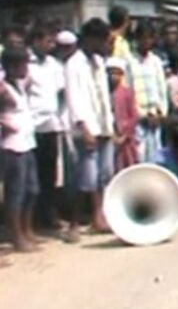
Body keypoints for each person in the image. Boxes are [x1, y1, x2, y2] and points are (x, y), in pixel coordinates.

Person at [65, 18, 115, 233]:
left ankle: (100, 215)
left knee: (105, 174)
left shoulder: (99, 62)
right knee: (87, 177)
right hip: (87, 127)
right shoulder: (73, 64)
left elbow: (104, 96)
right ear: (90, 39)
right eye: (102, 40)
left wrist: (110, 125)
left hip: (103, 125)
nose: (104, 44)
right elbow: (74, 98)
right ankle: (77, 221)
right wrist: (84, 127)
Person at [26, 24, 75, 241]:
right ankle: (32, 219)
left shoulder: (54, 65)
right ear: (36, 41)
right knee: (32, 176)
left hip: (51, 125)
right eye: (48, 41)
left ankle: (48, 215)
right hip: (31, 126)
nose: (51, 45)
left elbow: (61, 91)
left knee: (50, 174)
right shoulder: (25, 63)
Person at [2, 46, 42, 252]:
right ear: (12, 66)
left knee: (31, 190)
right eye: (23, 64)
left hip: (27, 143)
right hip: (12, 147)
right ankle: (16, 236)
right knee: (15, 193)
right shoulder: (3, 90)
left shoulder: (19, 85)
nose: (26, 68)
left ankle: (27, 230)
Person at [125, 23, 168, 163]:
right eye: (143, 38)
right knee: (140, 155)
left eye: (149, 38)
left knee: (156, 156)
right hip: (139, 118)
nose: (146, 42)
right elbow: (128, 91)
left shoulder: (156, 61)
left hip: (155, 116)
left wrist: (161, 112)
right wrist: (140, 115)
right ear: (136, 39)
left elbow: (162, 89)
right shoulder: (129, 61)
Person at [108, 58, 139, 172]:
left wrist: (125, 135)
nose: (113, 76)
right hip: (111, 136)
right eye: (111, 73)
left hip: (126, 138)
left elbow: (134, 115)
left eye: (116, 73)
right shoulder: (106, 93)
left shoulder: (127, 92)